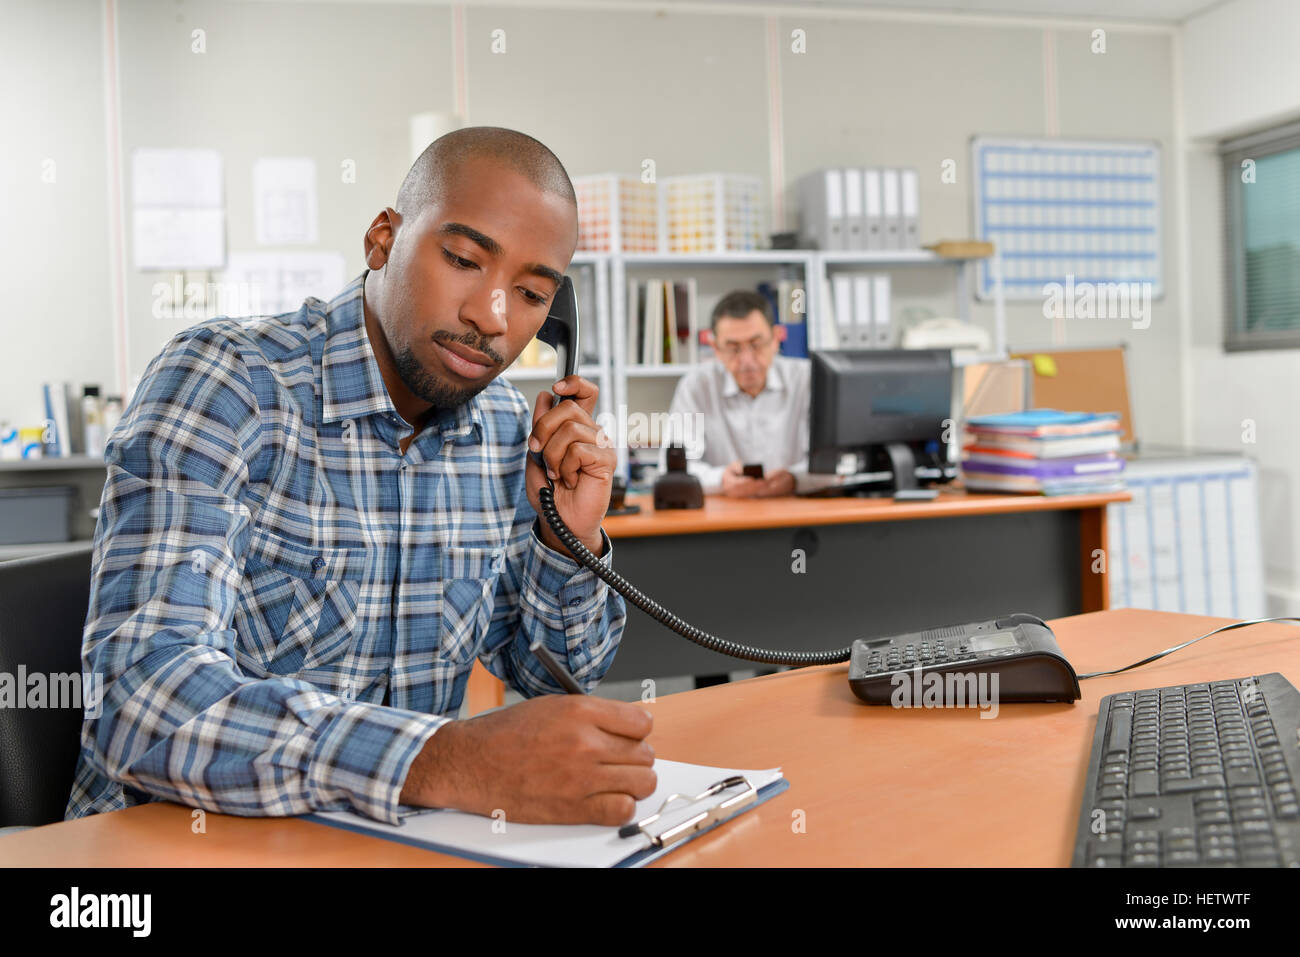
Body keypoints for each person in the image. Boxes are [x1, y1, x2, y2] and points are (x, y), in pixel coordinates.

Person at [66, 127, 656, 829]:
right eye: (465, 259)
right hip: (174, 847)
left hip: (391, 842)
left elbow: (552, 676)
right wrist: (442, 759)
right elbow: (140, 700)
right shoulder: (228, 384)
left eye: (530, 293)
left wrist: (568, 538)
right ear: (382, 239)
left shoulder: (504, 430)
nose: (491, 319)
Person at [661, 290, 813, 497]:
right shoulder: (696, 386)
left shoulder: (807, 379)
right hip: (723, 518)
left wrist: (794, 478)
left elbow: (836, 466)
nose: (747, 360)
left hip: (796, 511)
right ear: (715, 348)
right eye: (733, 348)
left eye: (756, 345)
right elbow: (673, 470)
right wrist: (720, 480)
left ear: (776, 339)